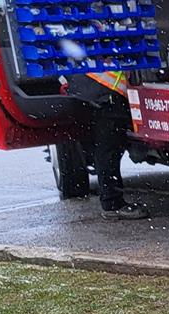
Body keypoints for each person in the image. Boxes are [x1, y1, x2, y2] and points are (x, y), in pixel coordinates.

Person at [62, 67, 148, 219]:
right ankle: (112, 204)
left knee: (103, 150)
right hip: (105, 94)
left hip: (90, 92)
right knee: (109, 151)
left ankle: (110, 198)